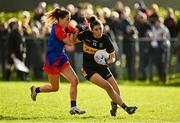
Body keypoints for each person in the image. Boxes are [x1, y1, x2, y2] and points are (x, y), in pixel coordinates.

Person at [75, 15, 137, 116]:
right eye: (96, 29)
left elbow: (112, 57)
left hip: (102, 66)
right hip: (88, 69)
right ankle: (126, 108)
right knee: (108, 86)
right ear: (92, 30)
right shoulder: (86, 35)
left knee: (116, 89)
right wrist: (77, 30)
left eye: (101, 28)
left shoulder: (105, 39)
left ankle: (114, 108)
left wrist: (108, 61)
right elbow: (73, 40)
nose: (99, 31)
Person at [30, 8, 85, 115]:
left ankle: (73, 107)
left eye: (70, 19)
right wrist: (79, 35)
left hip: (61, 57)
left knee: (74, 81)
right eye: (67, 19)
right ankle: (36, 90)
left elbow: (75, 33)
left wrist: (83, 32)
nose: (69, 21)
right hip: (52, 59)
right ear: (60, 19)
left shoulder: (66, 26)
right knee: (55, 88)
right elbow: (70, 42)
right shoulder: (58, 29)